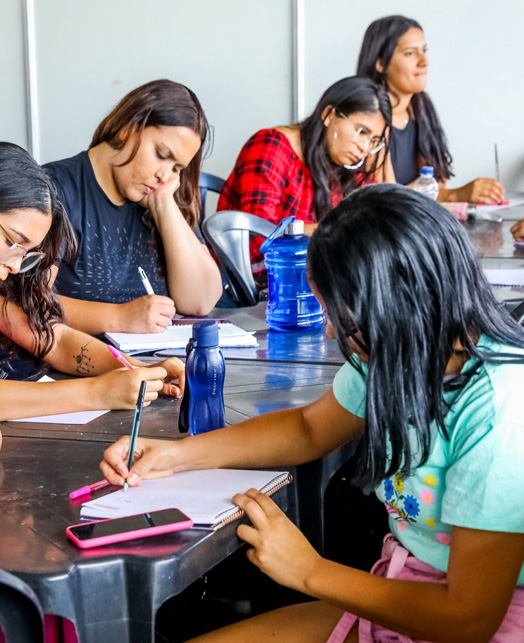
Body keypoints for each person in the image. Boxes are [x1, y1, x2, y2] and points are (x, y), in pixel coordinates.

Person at [100, 185, 524, 642]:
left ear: (396, 308)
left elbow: (469, 618)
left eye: (341, 318)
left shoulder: (498, 412)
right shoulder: (399, 352)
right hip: (406, 590)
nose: (328, 329)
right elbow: (308, 428)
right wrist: (175, 455)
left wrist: (308, 572)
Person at [0, 142, 184, 422]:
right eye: (12, 242)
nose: (14, 266)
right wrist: (96, 393)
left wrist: (140, 369)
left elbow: (54, 341)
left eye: (25, 255)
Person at [45, 79, 222, 335]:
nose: (166, 175)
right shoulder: (56, 189)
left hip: (145, 366)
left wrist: (164, 206)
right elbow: (25, 304)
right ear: (128, 128)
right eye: (162, 154)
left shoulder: (161, 194)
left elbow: (200, 301)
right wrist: (117, 317)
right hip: (60, 368)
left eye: (177, 168)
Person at [217, 76, 390, 273]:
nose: (365, 147)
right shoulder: (271, 147)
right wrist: (334, 230)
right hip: (257, 282)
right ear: (328, 114)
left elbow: (374, 220)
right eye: (361, 131)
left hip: (309, 279)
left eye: (374, 140)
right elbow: (259, 242)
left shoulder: (345, 165)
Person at [357, 15, 505, 203]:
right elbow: (387, 199)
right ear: (380, 63)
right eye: (410, 53)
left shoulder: (421, 105)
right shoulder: (368, 117)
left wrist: (449, 193)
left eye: (424, 50)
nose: (424, 61)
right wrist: (455, 195)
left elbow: (434, 182)